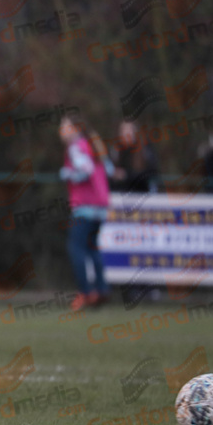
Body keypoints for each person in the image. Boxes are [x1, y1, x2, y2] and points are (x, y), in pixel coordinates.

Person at [59, 114, 112, 311]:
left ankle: (86, 292)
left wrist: (69, 174)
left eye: (64, 126)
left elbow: (86, 169)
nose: (61, 131)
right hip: (101, 207)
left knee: (76, 249)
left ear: (74, 129)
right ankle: (101, 289)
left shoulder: (76, 147)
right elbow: (109, 168)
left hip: (85, 207)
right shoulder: (93, 144)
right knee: (93, 249)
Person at [110, 119, 158, 193]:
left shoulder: (144, 150)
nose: (125, 133)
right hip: (120, 193)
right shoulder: (116, 150)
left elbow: (151, 172)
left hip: (141, 193)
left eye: (129, 130)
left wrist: (126, 176)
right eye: (123, 130)